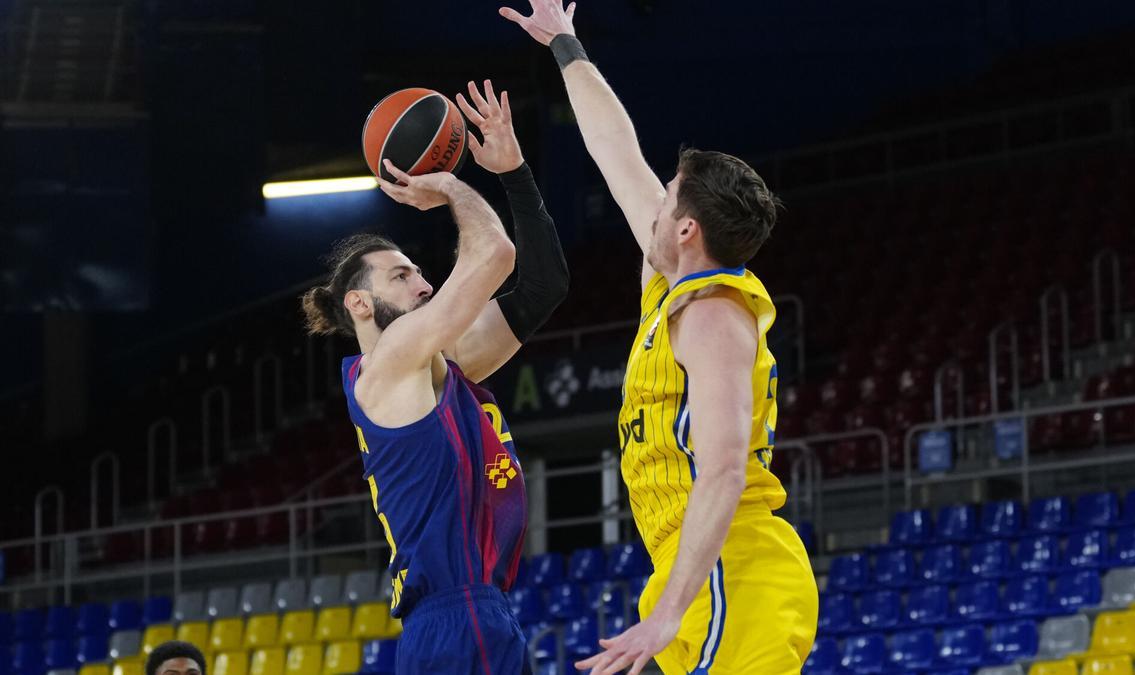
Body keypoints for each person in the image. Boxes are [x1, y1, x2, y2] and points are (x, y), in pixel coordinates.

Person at [502, 3, 819, 674]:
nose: (654, 200)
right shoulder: (671, 281)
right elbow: (615, 151)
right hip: (696, 568)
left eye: (668, 196)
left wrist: (672, 608)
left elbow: (726, 470)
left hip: (733, 570)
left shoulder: (712, 315)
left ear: (686, 230)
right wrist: (566, 45)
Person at [301, 80, 567, 675]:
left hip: (475, 614)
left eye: (419, 272)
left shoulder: (437, 367)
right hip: (457, 617)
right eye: (400, 277)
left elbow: (544, 287)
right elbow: (495, 252)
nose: (423, 284)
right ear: (359, 307)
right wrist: (447, 183)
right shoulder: (390, 362)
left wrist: (517, 172)